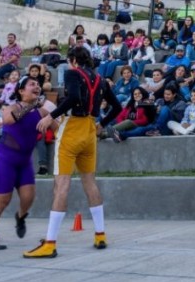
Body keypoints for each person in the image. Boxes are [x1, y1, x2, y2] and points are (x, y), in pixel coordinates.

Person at [23, 48, 122, 259]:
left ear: (74, 60)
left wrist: (50, 116)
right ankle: (100, 235)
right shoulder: (101, 80)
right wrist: (102, 124)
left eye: (69, 61)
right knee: (90, 183)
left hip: (72, 130)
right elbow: (117, 107)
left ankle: (50, 243)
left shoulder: (73, 73)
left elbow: (74, 97)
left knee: (61, 185)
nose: (68, 65)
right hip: (90, 131)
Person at [0, 77, 49, 251]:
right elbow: (9, 120)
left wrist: (54, 117)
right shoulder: (11, 108)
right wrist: (30, 106)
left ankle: (20, 217)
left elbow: (58, 126)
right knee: (2, 201)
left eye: (38, 84)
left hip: (24, 162)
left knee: (28, 197)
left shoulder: (42, 112)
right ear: (21, 91)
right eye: (32, 84)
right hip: (5, 160)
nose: (37, 86)